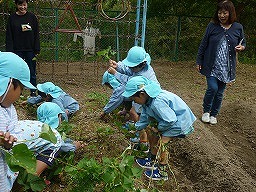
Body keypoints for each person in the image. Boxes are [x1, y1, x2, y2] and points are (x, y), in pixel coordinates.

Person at [122, 76, 196, 181]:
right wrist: (137, 128)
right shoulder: (147, 101)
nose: (135, 102)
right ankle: (152, 160)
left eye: (134, 99)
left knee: (162, 143)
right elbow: (144, 118)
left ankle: (162, 172)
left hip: (180, 122)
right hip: (170, 120)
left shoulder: (157, 103)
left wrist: (159, 128)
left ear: (142, 94)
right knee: (153, 136)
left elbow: (170, 120)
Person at [196, 0, 246, 125]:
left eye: (224, 13)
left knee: (219, 93)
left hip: (226, 67)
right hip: (211, 65)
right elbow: (203, 44)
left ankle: (214, 114)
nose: (221, 15)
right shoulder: (212, 26)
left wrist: (242, 47)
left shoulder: (238, 27)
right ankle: (206, 111)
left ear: (230, 13)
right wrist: (199, 60)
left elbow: (243, 42)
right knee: (212, 88)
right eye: (219, 13)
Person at [0, 51, 36, 191]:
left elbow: (15, 134)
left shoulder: (9, 110)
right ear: (10, 83)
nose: (20, 96)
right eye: (21, 90)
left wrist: (9, 144)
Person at [108, 46, 160, 143]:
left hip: (147, 95)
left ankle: (142, 136)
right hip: (144, 94)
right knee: (135, 111)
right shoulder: (141, 67)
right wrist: (118, 66)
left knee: (134, 112)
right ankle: (138, 128)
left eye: (132, 66)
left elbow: (129, 81)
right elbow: (129, 70)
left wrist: (115, 73)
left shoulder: (143, 75)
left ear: (141, 64)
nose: (130, 68)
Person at [6, 0, 40, 97]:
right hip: (17, 50)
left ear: (27, 4)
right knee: (17, 71)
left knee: (31, 70)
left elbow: (36, 34)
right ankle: (17, 92)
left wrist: (36, 48)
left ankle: (33, 91)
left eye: (24, 4)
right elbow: (9, 36)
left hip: (30, 50)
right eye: (20, 5)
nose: (22, 7)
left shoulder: (32, 17)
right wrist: (10, 52)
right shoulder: (12, 18)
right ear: (16, 5)